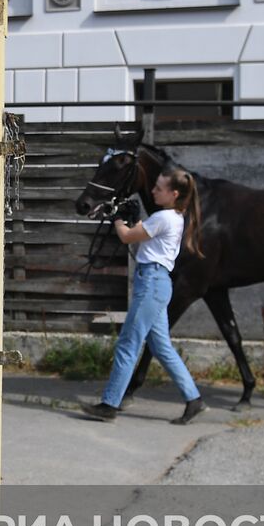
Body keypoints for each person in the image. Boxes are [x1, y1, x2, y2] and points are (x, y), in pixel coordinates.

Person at [80, 167, 206, 426]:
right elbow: (140, 239)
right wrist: (132, 220)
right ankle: (194, 400)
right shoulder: (172, 217)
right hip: (155, 283)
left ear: (173, 194)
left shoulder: (164, 218)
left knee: (128, 343)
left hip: (151, 284)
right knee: (161, 347)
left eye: (159, 188)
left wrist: (117, 218)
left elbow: (127, 237)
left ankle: (109, 404)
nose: (153, 191)